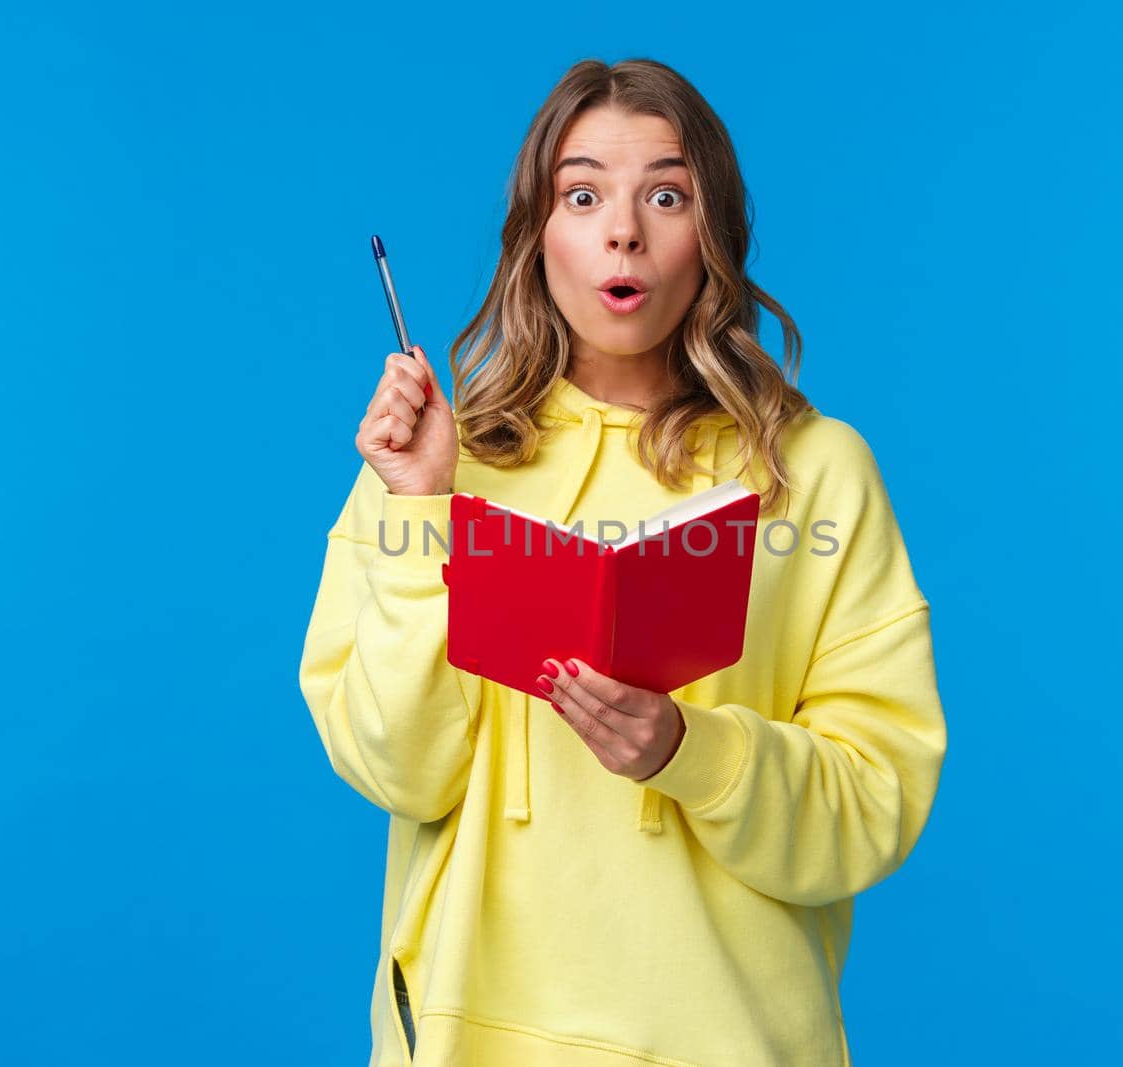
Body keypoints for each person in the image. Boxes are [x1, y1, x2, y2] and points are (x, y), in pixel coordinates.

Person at [298, 57, 948, 1066]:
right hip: (474, 1034)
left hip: (730, 1038)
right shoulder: (433, 459)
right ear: (537, 234)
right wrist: (423, 512)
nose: (623, 229)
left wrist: (688, 749)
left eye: (665, 194)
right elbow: (397, 765)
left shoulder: (816, 473)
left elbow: (870, 807)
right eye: (583, 192)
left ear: (712, 234)